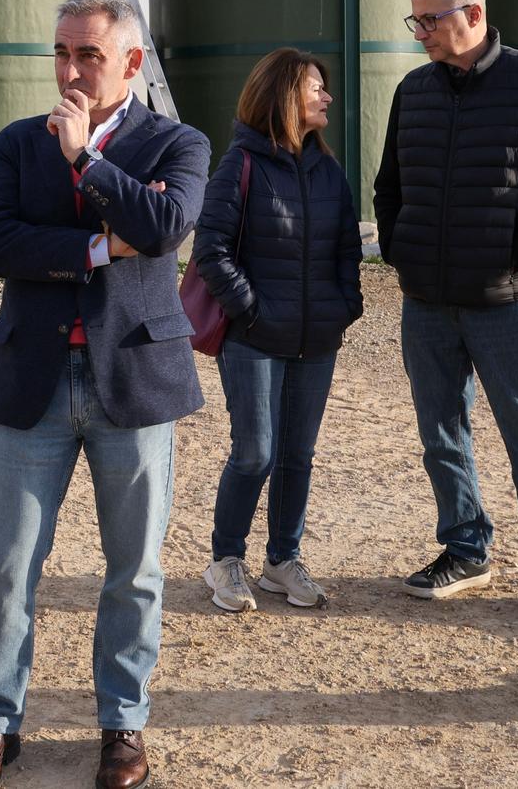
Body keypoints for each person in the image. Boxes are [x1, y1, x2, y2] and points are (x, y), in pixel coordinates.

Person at [0, 0, 210, 789]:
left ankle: (122, 725)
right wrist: (99, 246)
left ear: (130, 62)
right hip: (33, 378)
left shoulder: (179, 144)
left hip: (132, 379)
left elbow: (167, 230)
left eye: (87, 55)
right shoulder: (16, 143)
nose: (69, 69)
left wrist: (86, 162)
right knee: (7, 564)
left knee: (134, 568)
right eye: (61, 52)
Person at [372, 0, 518, 636]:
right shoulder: (414, 90)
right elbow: (390, 184)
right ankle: (466, 548)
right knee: (441, 432)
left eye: (429, 21)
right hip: (427, 301)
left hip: (510, 302)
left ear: (472, 14)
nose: (420, 35)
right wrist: (401, 250)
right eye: (415, 22)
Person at [193, 48, 363, 613]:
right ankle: (225, 561)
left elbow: (346, 248)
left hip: (318, 339)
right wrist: (254, 313)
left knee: (299, 454)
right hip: (254, 339)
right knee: (254, 453)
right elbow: (211, 252)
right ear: (285, 95)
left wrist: (345, 305)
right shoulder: (240, 165)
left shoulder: (329, 169)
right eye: (316, 88)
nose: (327, 98)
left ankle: (282, 561)